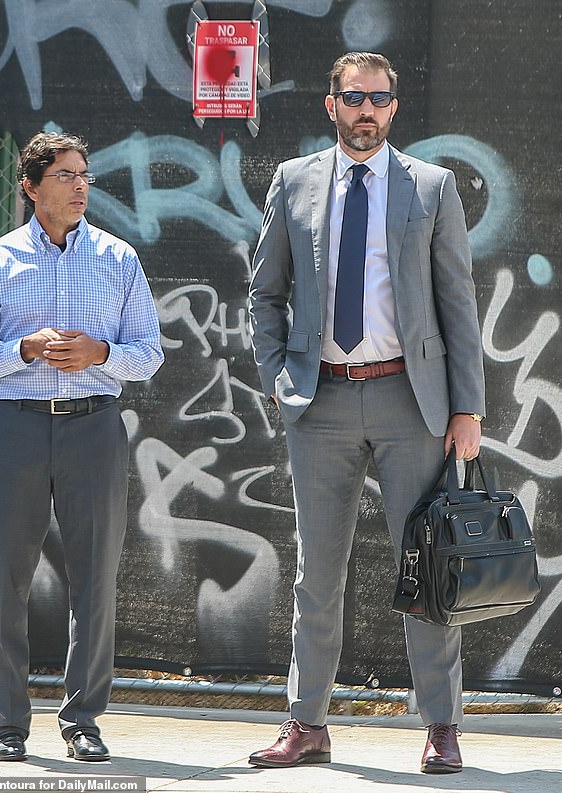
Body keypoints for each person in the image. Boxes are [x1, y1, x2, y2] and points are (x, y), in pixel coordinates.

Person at [248, 52, 484, 774]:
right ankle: (307, 723)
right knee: (317, 572)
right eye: (354, 98)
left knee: (431, 568)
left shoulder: (431, 187)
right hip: (318, 399)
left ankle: (441, 724)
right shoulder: (293, 181)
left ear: (394, 109)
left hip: (410, 400)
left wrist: (467, 406)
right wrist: (278, 378)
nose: (367, 111)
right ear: (331, 105)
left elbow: (458, 303)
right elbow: (264, 294)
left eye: (380, 99)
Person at [0, 131, 164, 762]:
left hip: (94, 425)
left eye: (84, 175)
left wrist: (101, 354)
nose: (79, 186)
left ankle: (83, 721)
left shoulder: (119, 258)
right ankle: (8, 723)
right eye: (66, 175)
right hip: (15, 427)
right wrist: (25, 348)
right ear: (31, 186)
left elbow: (148, 353)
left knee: (95, 577)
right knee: (5, 579)